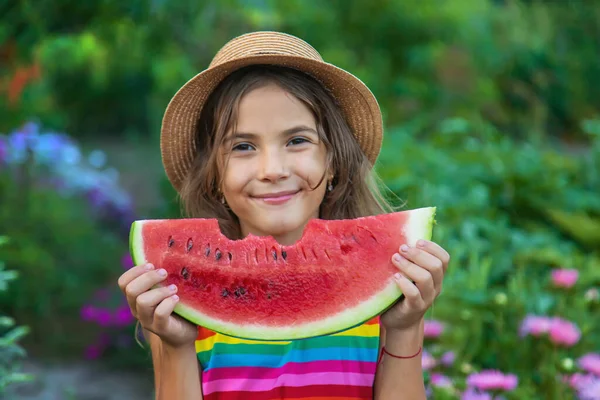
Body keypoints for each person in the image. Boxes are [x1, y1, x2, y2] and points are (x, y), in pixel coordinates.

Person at [118, 31, 450, 400]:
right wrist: (177, 346)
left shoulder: (388, 291)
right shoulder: (180, 298)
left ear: (335, 160)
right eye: (243, 146)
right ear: (214, 178)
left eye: (297, 141)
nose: (272, 169)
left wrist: (404, 328)